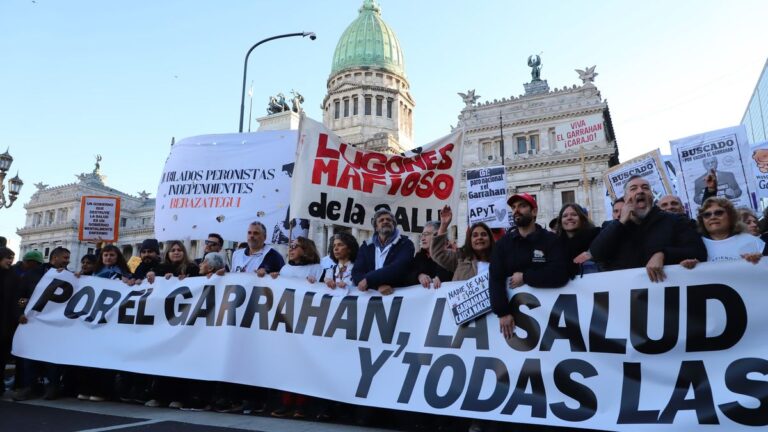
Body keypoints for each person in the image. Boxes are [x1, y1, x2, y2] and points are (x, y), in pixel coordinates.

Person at [590, 175, 707, 281]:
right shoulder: (611, 226)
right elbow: (596, 254)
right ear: (625, 199)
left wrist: (663, 254)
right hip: (626, 299)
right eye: (633, 188)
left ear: (652, 196)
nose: (640, 191)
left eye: (645, 188)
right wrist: (620, 223)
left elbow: (698, 252)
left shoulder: (675, 221)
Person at [490, 193, 569, 340]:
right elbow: (495, 278)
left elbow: (560, 273)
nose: (516, 210)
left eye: (522, 206)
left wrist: (525, 277)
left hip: (551, 318)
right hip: (514, 321)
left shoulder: (551, 240)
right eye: (513, 207)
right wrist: (502, 312)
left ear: (534, 211)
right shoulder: (502, 245)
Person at [13, 247, 71, 401]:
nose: (67, 261)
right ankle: (29, 387)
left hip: (54, 324)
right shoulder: (34, 274)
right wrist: (20, 313)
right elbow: (19, 295)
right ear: (54, 258)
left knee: (52, 356)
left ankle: (53, 387)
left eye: (68, 258)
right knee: (29, 356)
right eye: (65, 257)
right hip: (33, 322)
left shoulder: (69, 276)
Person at [681, 197, 767, 268]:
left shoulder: (753, 242)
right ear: (702, 220)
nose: (713, 217)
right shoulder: (694, 245)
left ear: (731, 216)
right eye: (707, 215)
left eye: (719, 213)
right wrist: (687, 267)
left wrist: (761, 260)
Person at [352, 208, 415, 295]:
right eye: (381, 220)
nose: (385, 221)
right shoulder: (366, 246)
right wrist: (377, 287)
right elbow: (356, 273)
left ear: (394, 225)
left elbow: (398, 268)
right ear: (376, 228)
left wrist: (369, 279)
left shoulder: (406, 243)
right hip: (371, 297)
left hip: (397, 295)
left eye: (389, 220)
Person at [431, 206, 493, 281]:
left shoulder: (501, 260)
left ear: (490, 238)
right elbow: (438, 253)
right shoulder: (460, 258)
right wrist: (444, 225)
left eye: (483, 234)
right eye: (475, 235)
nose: (479, 238)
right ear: (469, 240)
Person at [557, 203, 601, 277]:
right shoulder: (554, 244)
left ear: (582, 218)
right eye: (565, 216)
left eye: (574, 214)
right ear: (561, 222)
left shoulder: (596, 237)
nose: (569, 218)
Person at [407, 221, 453, 288]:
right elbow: (407, 276)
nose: (422, 238)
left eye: (426, 234)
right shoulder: (419, 256)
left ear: (438, 235)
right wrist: (419, 275)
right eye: (422, 235)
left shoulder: (451, 254)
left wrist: (441, 276)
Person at [0, 248, 19, 396]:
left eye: (12, 258)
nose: (10, 261)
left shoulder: (13, 276)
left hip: (6, 324)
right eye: (7, 258)